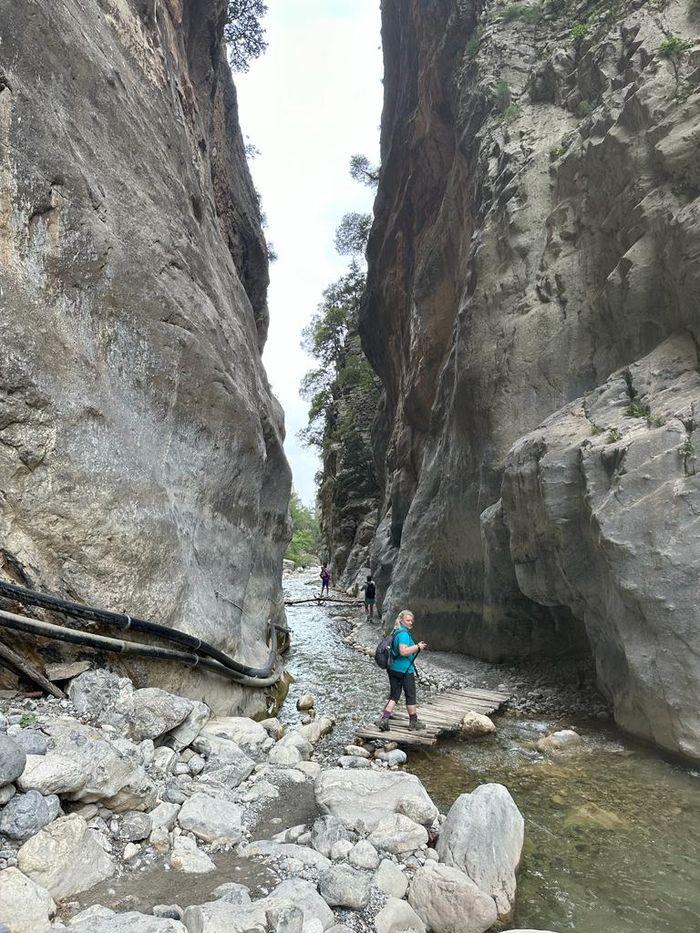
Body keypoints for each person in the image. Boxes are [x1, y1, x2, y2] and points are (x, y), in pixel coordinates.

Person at [375, 609, 427, 732]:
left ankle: (384, 719)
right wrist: (418, 647)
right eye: (407, 620)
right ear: (401, 620)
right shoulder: (403, 634)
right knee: (410, 695)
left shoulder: (396, 631)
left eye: (411, 620)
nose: (410, 623)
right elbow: (403, 651)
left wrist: (416, 647)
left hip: (392, 668)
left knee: (394, 695)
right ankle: (413, 722)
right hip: (404, 670)